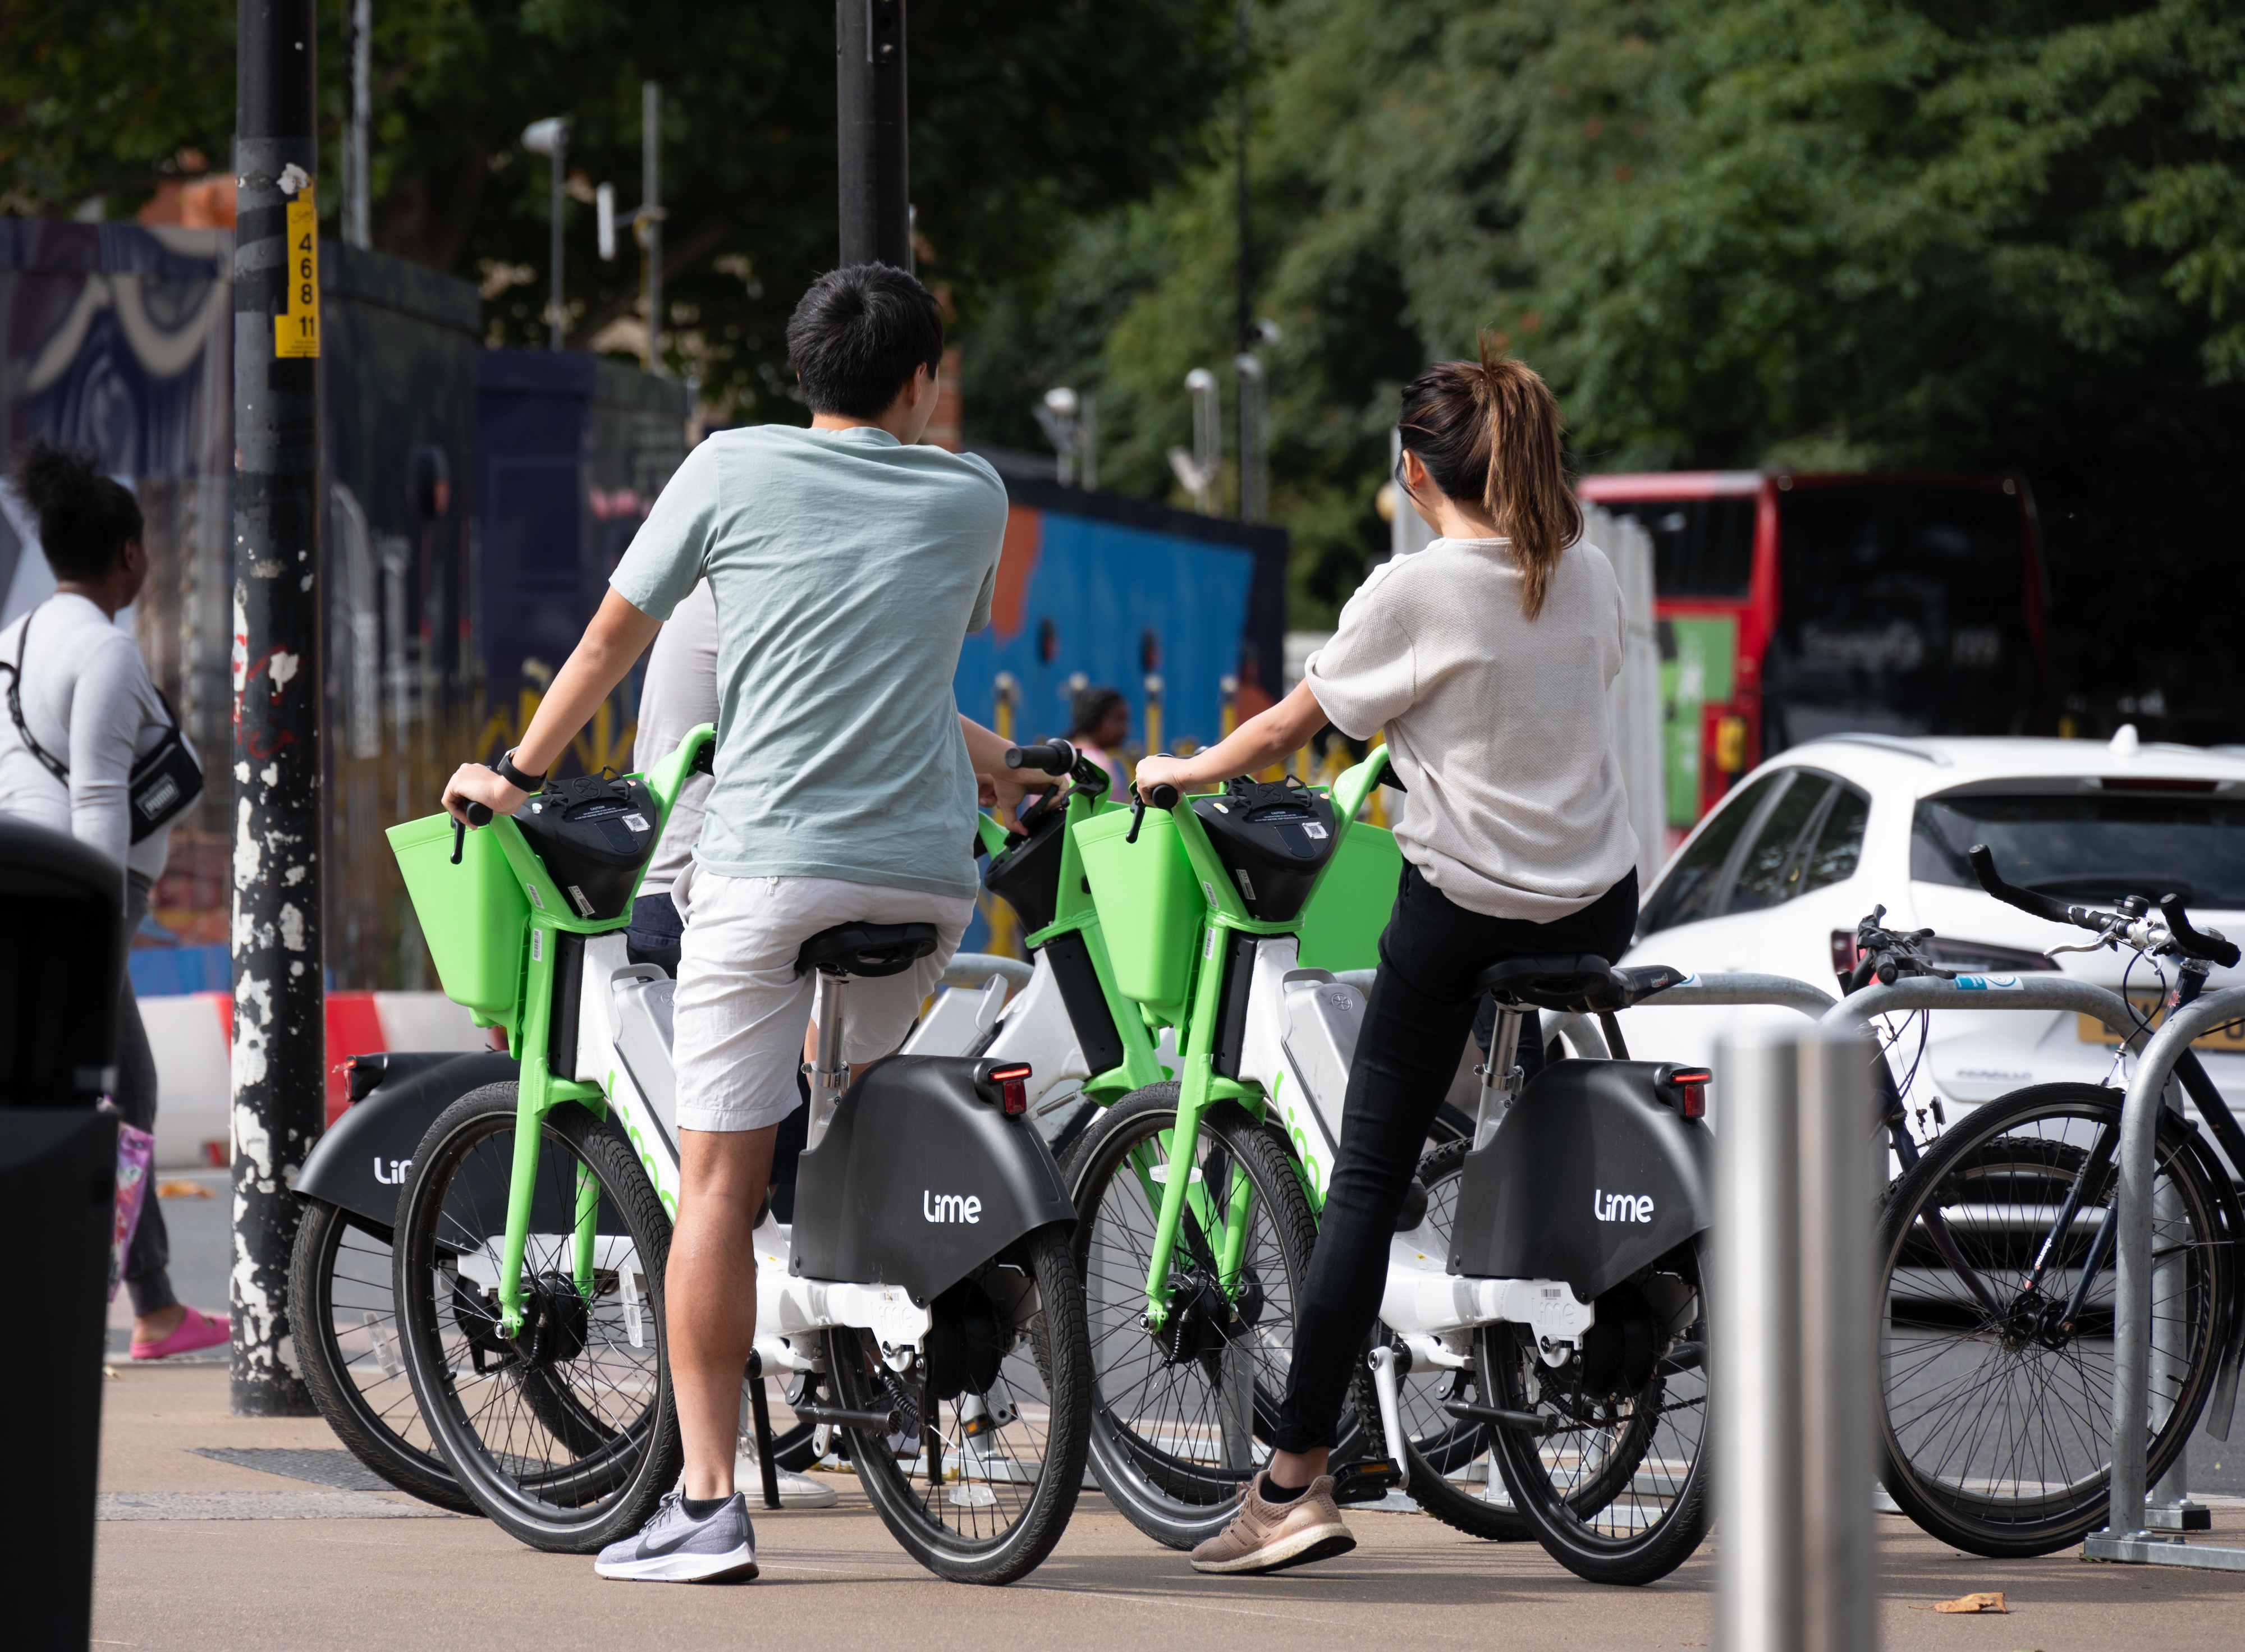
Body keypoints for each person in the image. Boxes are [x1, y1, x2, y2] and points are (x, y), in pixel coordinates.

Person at [442, 263, 1042, 1585]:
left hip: (768, 873)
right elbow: (895, 669)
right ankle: (853, 1315)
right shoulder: (971, 492)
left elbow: (609, 635)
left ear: (801, 370)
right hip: (934, 886)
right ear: (923, 381)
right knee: (832, 1105)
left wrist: (517, 772)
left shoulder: (727, 468)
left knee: (713, 1186)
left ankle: (708, 1503)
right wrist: (1006, 768)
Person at [1133, 341, 1639, 1575]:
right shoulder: (1584, 572)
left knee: (1361, 1179)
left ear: (1412, 470)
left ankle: (1294, 1478)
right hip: (1597, 905)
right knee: (1466, 1079)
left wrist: (1177, 771)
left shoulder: (1414, 586)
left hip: (1468, 908)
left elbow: (1289, 725)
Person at [0, 440, 226, 1360]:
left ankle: (155, 1303)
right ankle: (103, 1295)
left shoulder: (11, 642)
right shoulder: (107, 652)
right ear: (127, 552)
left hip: (25, 880)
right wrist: (94, 928)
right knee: (111, 1088)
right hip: (87, 895)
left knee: (113, 1083)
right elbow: (99, 794)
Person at [1065, 684, 1130, 797]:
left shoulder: (1061, 757)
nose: (1124, 730)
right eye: (1117, 720)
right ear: (1095, 719)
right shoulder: (1097, 766)